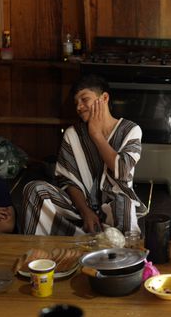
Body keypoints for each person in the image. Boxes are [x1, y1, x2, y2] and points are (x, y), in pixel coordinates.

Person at [22, 74, 147, 235]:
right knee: (34, 189)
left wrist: (95, 134)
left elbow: (121, 170)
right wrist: (86, 211)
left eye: (84, 99)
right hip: (79, 209)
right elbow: (68, 182)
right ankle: (47, 251)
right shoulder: (72, 134)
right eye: (76, 103)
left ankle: (121, 254)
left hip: (115, 206)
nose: (79, 107)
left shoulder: (130, 130)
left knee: (124, 205)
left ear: (104, 98)